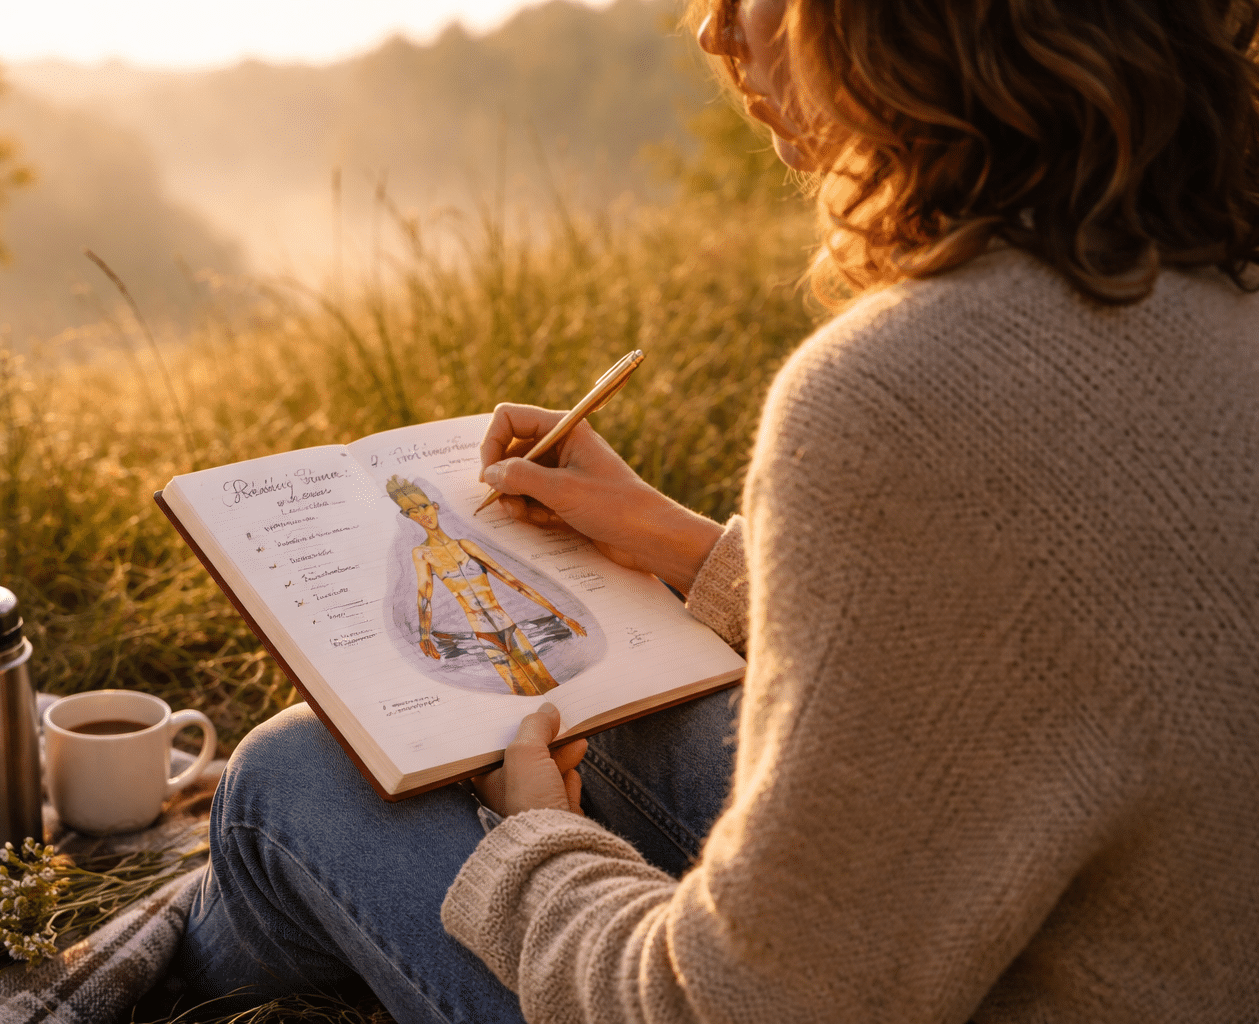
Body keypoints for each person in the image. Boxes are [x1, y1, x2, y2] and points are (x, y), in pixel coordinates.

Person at [176, 0, 1259, 1020]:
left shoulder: (904, 389)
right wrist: (683, 548)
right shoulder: (1213, 292)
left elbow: (733, 1006)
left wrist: (543, 847)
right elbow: (1039, 645)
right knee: (645, 691)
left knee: (294, 779)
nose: (712, 27)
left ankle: (144, 970)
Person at [386, 474, 586, 697]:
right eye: (413, 511)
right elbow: (424, 596)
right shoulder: (422, 554)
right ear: (407, 516)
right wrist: (424, 636)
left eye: (423, 506)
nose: (422, 514)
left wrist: (559, 614)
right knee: (520, 690)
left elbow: (513, 581)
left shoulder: (466, 545)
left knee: (546, 681)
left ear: (434, 506)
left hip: (508, 626)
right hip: (482, 633)